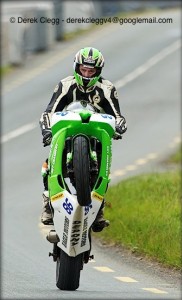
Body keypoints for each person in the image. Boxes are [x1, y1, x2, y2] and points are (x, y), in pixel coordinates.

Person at [39, 47, 127, 232]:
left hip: (95, 134)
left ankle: (99, 208)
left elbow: (117, 115)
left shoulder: (107, 88)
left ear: (98, 71)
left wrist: (120, 126)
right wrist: (47, 130)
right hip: (68, 132)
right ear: (77, 68)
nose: (86, 74)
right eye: (83, 70)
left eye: (91, 71)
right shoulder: (64, 85)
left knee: (104, 162)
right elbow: (49, 111)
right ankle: (48, 201)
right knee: (49, 161)